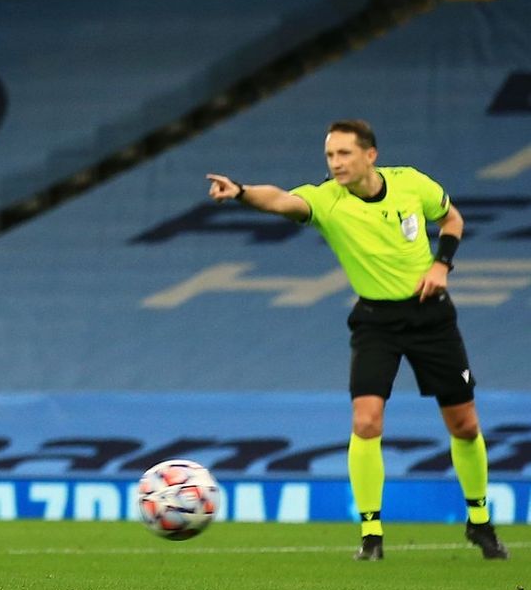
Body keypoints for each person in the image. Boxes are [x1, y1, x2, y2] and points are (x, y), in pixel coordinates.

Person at [207, 119, 508, 561]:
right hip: (375, 321)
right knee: (366, 421)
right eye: (330, 155)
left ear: (370, 155)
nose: (335, 163)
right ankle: (371, 534)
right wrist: (241, 192)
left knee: (464, 424)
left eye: (344, 154)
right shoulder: (327, 200)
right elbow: (282, 200)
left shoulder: (411, 184)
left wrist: (442, 265)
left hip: (431, 317)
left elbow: (452, 219)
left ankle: (479, 521)